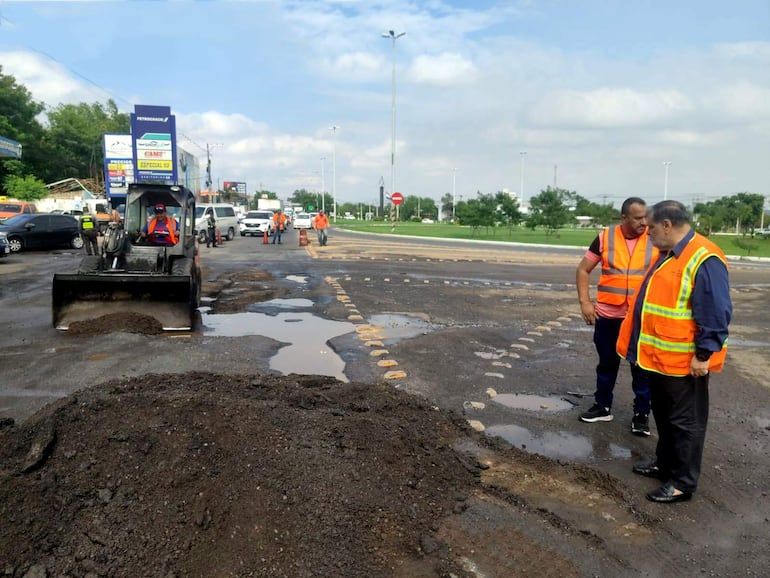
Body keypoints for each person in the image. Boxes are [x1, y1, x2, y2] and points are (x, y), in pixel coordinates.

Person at [617, 200, 732, 503]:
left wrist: (703, 356)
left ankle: (682, 481)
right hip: (660, 360)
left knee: (686, 423)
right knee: (666, 418)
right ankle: (665, 464)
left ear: (667, 225)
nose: (647, 232)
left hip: (685, 363)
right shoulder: (668, 254)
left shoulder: (704, 258)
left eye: (651, 227)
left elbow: (717, 312)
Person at [576, 197, 658, 436]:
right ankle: (602, 406)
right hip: (609, 315)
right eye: (638, 218)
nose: (644, 222)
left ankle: (641, 415)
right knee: (607, 364)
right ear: (624, 218)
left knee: (641, 368)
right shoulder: (605, 237)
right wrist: (585, 302)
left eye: (646, 216)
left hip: (639, 317)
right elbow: (583, 269)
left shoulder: (655, 238)